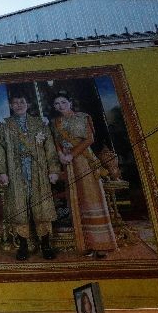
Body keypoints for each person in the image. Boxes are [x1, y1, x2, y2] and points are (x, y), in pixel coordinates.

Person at [0, 92, 61, 261]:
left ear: (28, 104)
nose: (19, 105)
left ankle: (45, 245)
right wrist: (1, 172)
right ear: (11, 106)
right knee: (19, 208)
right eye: (15, 102)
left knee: (42, 207)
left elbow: (50, 148)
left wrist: (53, 170)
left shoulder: (40, 123)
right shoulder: (4, 125)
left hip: (38, 171)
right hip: (15, 173)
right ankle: (23, 246)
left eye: (22, 101)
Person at [51, 92, 117, 258]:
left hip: (84, 161)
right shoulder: (55, 122)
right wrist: (61, 155)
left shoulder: (83, 117)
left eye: (63, 102)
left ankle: (101, 245)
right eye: (56, 104)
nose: (60, 106)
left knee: (91, 198)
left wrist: (71, 154)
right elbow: (57, 142)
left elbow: (89, 139)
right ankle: (86, 244)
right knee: (77, 201)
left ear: (70, 102)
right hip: (68, 164)